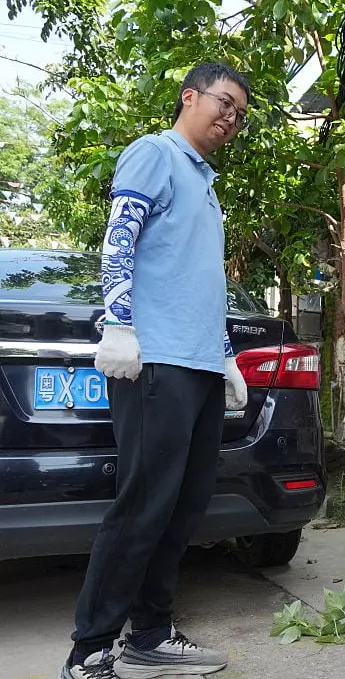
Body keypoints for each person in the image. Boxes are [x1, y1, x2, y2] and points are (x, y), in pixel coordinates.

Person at [62, 62, 251, 679]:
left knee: (184, 506)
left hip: (196, 365)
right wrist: (117, 324)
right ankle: (89, 649)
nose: (230, 118)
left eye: (239, 114)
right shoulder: (155, 153)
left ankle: (150, 633)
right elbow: (120, 239)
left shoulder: (206, 183)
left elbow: (203, 282)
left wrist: (224, 353)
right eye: (223, 103)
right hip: (156, 361)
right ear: (189, 96)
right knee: (144, 505)